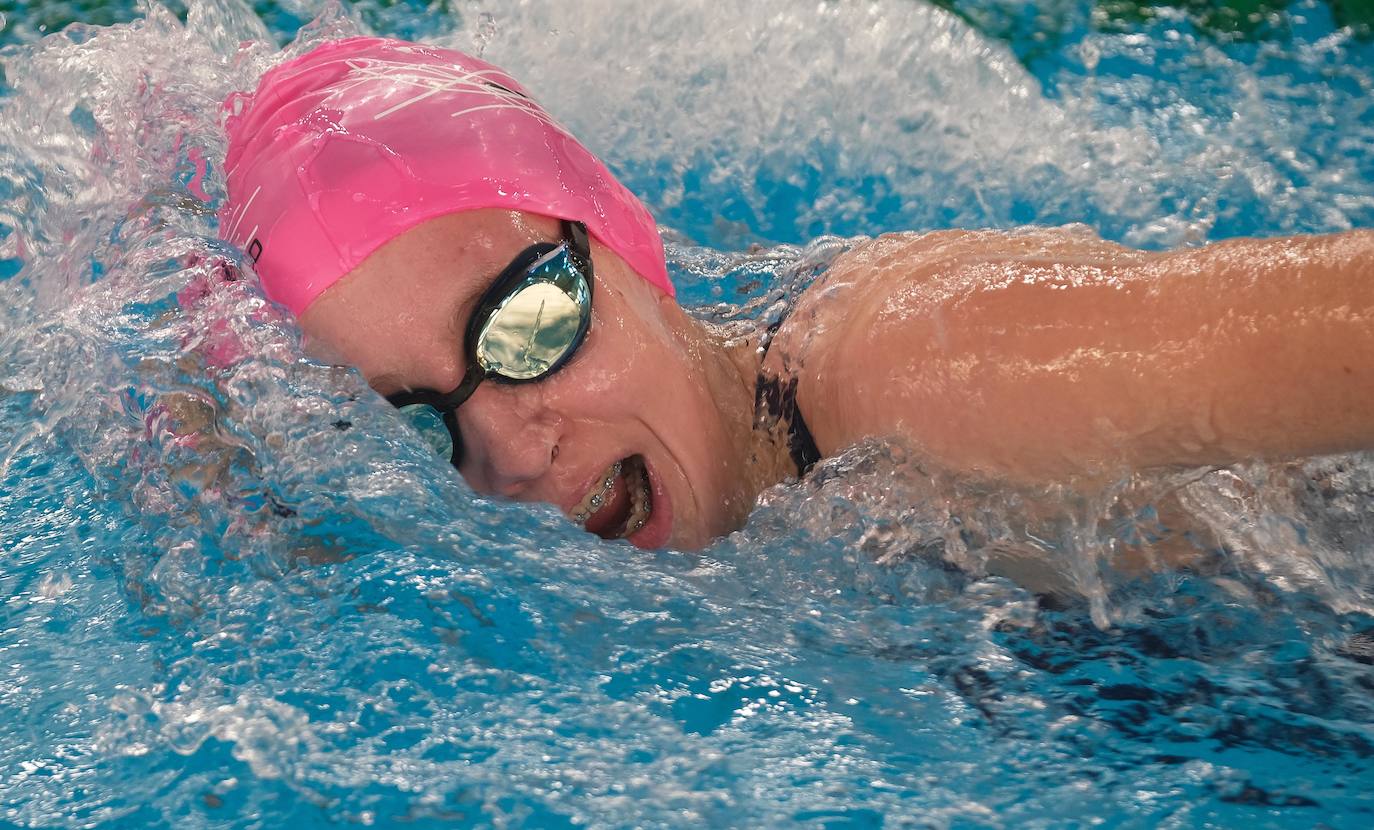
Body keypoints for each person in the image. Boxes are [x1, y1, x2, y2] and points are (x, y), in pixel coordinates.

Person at [219, 36, 1374, 551]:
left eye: (529, 325)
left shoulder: (922, 370)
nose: (510, 451)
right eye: (422, 427)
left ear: (625, 242)